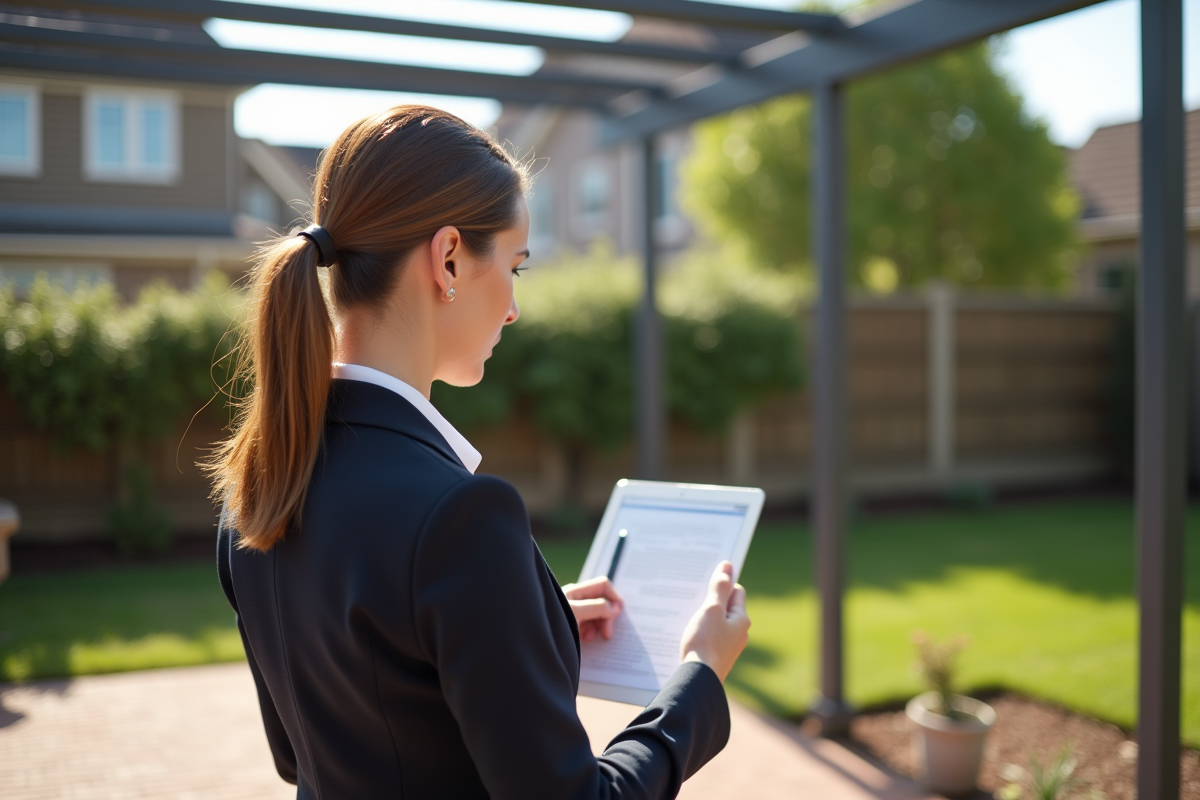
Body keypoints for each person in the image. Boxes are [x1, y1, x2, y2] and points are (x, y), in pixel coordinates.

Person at [209, 105, 751, 799]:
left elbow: (302, 753)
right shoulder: (460, 518)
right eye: (517, 268)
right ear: (449, 258)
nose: (515, 309)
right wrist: (698, 680)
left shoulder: (256, 490)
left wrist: (532, 625)